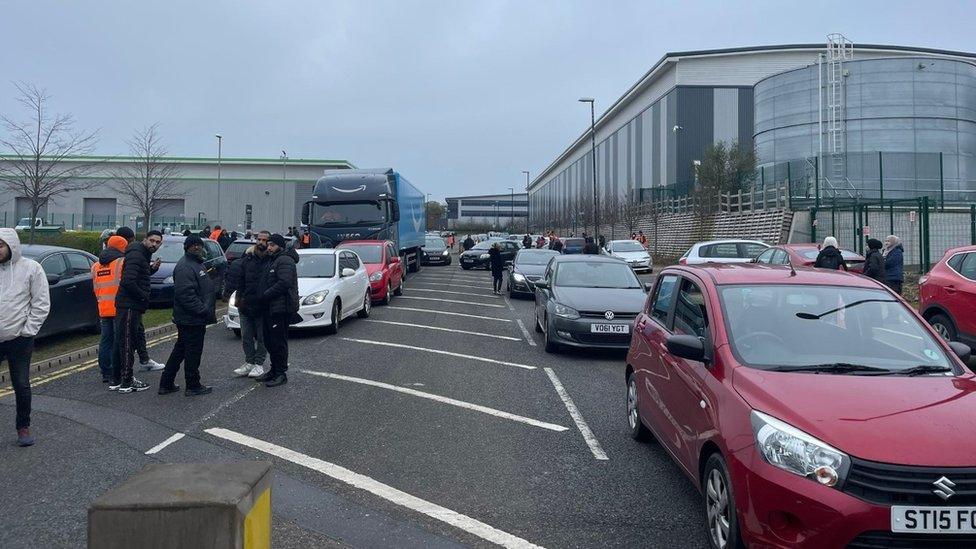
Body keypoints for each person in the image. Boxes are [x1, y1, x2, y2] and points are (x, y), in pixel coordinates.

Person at [0, 229, 50, 447]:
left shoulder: (31, 268)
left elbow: (41, 303)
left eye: (0, 246)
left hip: (19, 338)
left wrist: (27, 330)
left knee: (20, 384)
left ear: (11, 245)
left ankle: (23, 427)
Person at [159, 236, 216, 396]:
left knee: (181, 350)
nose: (200, 249)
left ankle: (166, 383)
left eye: (200, 246)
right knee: (192, 353)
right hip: (191, 319)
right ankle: (192, 385)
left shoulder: (195, 263)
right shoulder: (186, 266)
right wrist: (203, 310)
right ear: (191, 247)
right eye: (197, 246)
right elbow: (186, 295)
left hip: (192, 317)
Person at [113, 230, 164, 393]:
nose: (154, 244)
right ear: (145, 240)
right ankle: (127, 382)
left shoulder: (142, 254)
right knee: (128, 342)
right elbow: (128, 281)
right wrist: (143, 297)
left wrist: (152, 270)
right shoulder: (137, 254)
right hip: (129, 305)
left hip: (130, 304)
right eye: (152, 241)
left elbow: (139, 275)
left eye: (157, 242)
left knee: (125, 341)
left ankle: (118, 379)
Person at [254, 234, 299, 387]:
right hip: (269, 308)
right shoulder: (273, 260)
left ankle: (281, 373)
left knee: (278, 342)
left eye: (272, 245)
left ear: (280, 246)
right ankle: (273, 370)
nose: (269, 247)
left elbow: (284, 283)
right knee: (269, 341)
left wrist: (265, 295)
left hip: (280, 308)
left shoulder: (285, 260)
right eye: (269, 244)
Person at [224, 231, 270, 378]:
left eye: (264, 240)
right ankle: (249, 362)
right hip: (245, 304)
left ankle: (258, 364)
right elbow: (240, 281)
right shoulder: (247, 258)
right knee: (246, 336)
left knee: (262, 338)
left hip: (262, 306)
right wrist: (238, 300)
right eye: (259, 239)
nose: (261, 242)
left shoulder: (272, 260)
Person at [91, 235, 128, 384]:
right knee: (118, 341)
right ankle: (116, 371)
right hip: (118, 308)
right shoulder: (122, 263)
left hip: (103, 308)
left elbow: (95, 288)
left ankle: (105, 371)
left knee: (105, 341)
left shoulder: (95, 266)